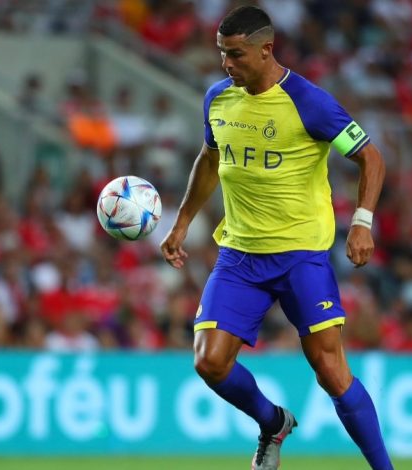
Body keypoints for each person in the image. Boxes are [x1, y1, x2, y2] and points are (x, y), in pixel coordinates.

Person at [160, 6, 392, 470]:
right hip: (240, 256)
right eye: (222, 53)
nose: (226, 63)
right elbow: (210, 159)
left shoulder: (309, 102)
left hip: (300, 255)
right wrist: (183, 221)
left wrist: (362, 221)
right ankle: (273, 423)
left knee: (330, 371)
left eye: (236, 54)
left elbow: (371, 158)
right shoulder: (218, 100)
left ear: (266, 49)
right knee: (209, 362)